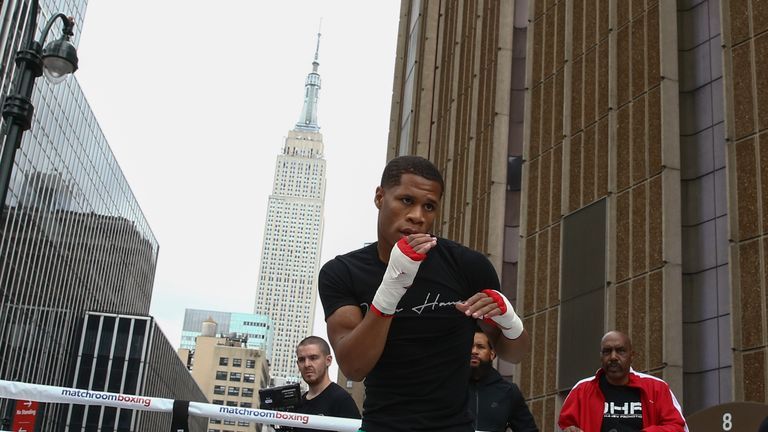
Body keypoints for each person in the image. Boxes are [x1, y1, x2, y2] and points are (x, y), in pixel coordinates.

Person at [318, 155, 530, 432]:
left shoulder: (467, 266)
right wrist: (393, 285)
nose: (417, 216)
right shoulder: (343, 272)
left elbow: (514, 354)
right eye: (407, 200)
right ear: (380, 197)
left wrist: (510, 322)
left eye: (428, 207)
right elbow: (354, 367)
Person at [558, 330, 688, 432]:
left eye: (620, 351)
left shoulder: (657, 388)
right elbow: (564, 426)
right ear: (601, 357)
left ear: (632, 356)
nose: (613, 357)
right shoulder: (581, 390)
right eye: (607, 351)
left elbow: (678, 428)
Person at [469, 328, 538, 432]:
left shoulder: (509, 391)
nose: (474, 351)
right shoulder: (449, 387)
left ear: (492, 354)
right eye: (470, 346)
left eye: (480, 347)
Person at [293, 336, 360, 432]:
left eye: (313, 358)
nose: (307, 364)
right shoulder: (299, 404)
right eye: (302, 360)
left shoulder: (341, 400)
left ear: (328, 360)